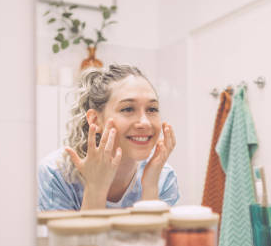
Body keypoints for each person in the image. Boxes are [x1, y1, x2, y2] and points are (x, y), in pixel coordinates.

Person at [38, 64, 179, 210]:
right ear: (94, 120)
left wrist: (150, 185)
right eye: (128, 109)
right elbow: (77, 234)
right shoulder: (57, 173)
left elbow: (152, 234)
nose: (145, 122)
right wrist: (95, 188)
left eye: (152, 109)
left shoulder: (162, 176)